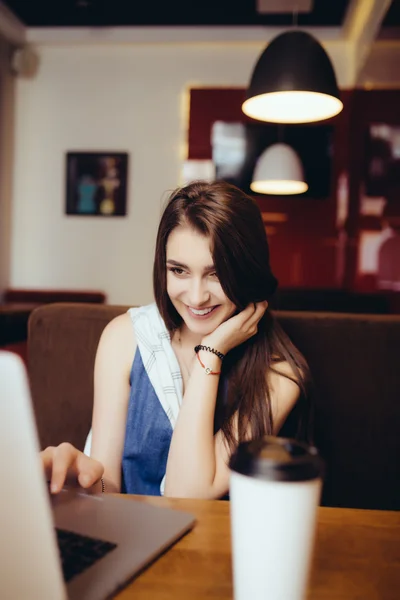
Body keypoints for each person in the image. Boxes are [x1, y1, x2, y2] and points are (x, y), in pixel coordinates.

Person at [41, 180, 311, 499]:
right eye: (179, 271)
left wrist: (211, 353)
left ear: (246, 272)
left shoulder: (278, 374)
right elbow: (107, 489)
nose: (196, 297)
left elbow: (187, 495)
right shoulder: (125, 338)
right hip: (130, 540)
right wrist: (84, 481)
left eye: (216, 273)